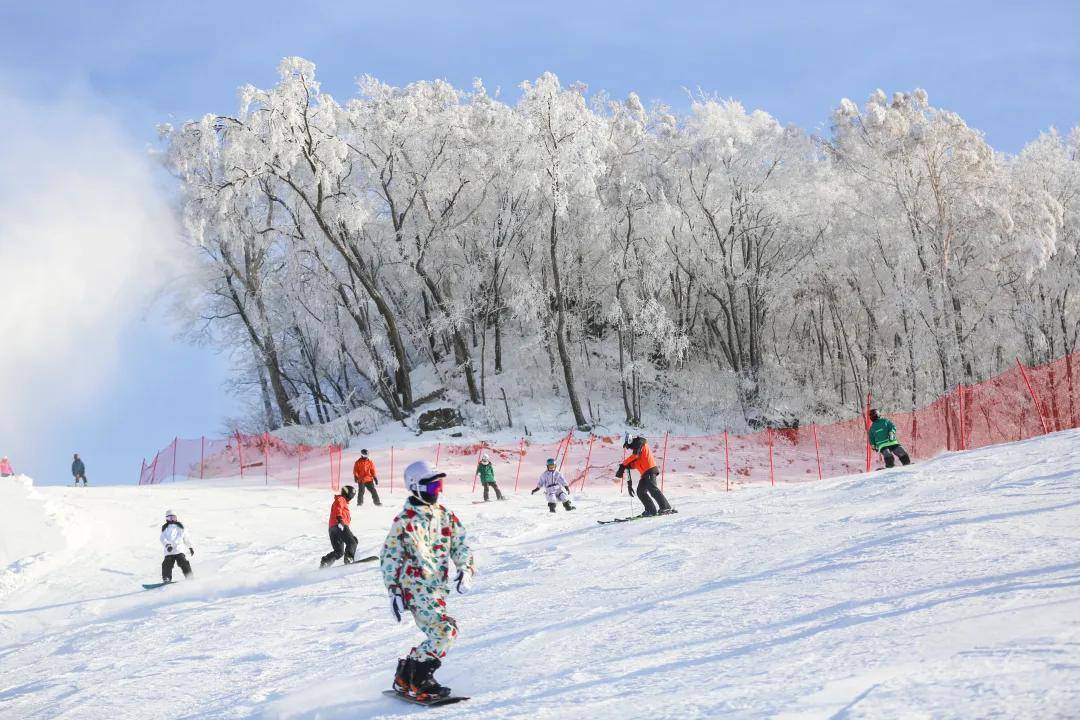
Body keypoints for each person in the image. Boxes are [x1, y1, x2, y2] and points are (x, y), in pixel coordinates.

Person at [382, 460, 475, 701]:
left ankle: (406, 674)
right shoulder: (405, 520)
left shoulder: (445, 515)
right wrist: (394, 590)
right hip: (415, 585)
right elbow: (390, 555)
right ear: (416, 487)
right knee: (446, 630)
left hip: (437, 588)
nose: (438, 491)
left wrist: (465, 568)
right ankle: (421, 678)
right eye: (432, 488)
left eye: (439, 486)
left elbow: (460, 544)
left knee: (441, 630)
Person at [617, 435, 675, 517]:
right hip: (644, 474)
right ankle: (651, 510)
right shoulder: (637, 452)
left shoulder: (640, 442)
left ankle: (666, 507)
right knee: (640, 492)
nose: (628, 448)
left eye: (628, 446)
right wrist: (623, 468)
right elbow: (631, 465)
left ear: (630, 441)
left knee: (652, 489)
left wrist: (624, 464)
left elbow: (634, 456)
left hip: (650, 470)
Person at [320, 485, 358, 568]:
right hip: (339, 525)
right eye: (352, 495)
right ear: (348, 494)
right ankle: (349, 558)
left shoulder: (341, 500)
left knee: (339, 552)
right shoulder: (341, 499)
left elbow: (338, 509)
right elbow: (338, 508)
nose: (352, 497)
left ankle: (326, 562)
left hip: (332, 528)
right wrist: (340, 518)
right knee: (353, 542)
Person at [160, 510, 195, 583]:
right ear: (166, 519)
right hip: (169, 551)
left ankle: (189, 576)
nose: (172, 520)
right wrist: (167, 545)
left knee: (183, 562)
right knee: (166, 564)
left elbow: (186, 538)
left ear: (176, 518)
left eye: (173, 517)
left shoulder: (180, 527)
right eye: (170, 518)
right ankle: (166, 578)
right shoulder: (165, 528)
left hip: (179, 550)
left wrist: (190, 547)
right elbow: (162, 538)